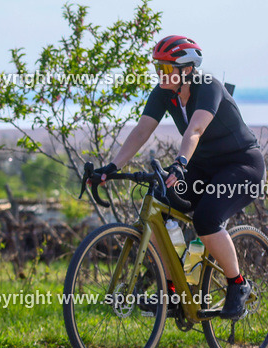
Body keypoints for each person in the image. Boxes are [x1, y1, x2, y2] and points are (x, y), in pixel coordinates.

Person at [91, 35, 265, 320]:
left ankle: (238, 284)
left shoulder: (208, 87)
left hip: (241, 165)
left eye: (166, 68)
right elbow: (141, 131)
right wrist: (111, 167)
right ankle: (174, 290)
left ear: (186, 69)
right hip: (204, 168)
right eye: (157, 68)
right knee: (159, 208)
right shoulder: (164, 92)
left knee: (206, 219)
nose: (160, 74)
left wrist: (180, 163)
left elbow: (194, 130)